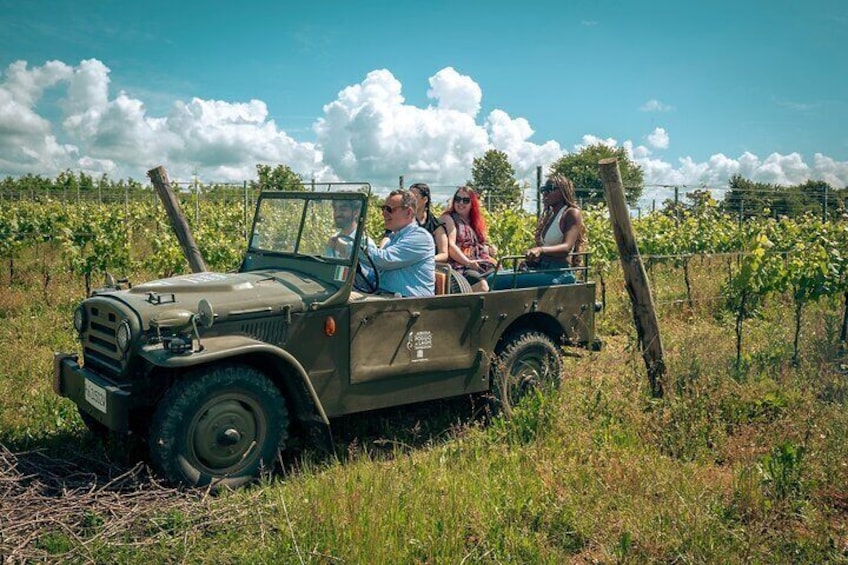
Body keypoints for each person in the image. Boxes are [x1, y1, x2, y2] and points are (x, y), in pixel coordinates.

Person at [362, 189, 435, 297]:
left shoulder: (420, 237)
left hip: (410, 305)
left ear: (408, 212)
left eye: (389, 209)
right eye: (383, 208)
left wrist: (351, 249)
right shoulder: (394, 238)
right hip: (386, 298)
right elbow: (376, 272)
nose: (384, 213)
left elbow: (384, 260)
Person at [522, 173, 587, 284]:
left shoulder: (571, 213)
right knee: (494, 277)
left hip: (559, 273)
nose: (545, 193)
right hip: (543, 269)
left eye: (550, 189)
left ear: (563, 191)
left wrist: (540, 250)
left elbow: (567, 247)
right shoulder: (551, 216)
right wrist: (532, 261)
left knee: (496, 282)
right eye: (543, 189)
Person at [441, 186, 496, 291]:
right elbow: (451, 246)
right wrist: (468, 262)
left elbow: (479, 244)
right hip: (460, 266)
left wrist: (489, 250)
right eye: (457, 199)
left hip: (479, 263)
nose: (460, 203)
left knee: (502, 279)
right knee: (482, 286)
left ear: (472, 204)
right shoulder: (449, 218)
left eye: (465, 200)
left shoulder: (474, 222)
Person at [408, 182, 448, 262]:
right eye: (408, 197)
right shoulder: (402, 220)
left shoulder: (435, 225)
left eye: (414, 197)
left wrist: (426, 260)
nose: (410, 200)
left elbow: (444, 254)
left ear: (425, 199)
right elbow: (388, 236)